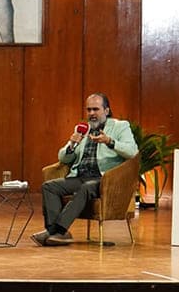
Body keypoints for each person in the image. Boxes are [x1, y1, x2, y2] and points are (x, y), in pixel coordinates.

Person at [32, 93, 138, 246]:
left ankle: (58, 231)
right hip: (80, 175)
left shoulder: (120, 126)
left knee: (86, 187)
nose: (91, 114)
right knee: (49, 187)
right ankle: (56, 232)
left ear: (106, 111)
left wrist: (110, 142)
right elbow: (63, 158)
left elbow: (132, 152)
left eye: (96, 109)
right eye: (89, 110)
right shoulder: (83, 129)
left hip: (104, 178)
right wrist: (71, 145)